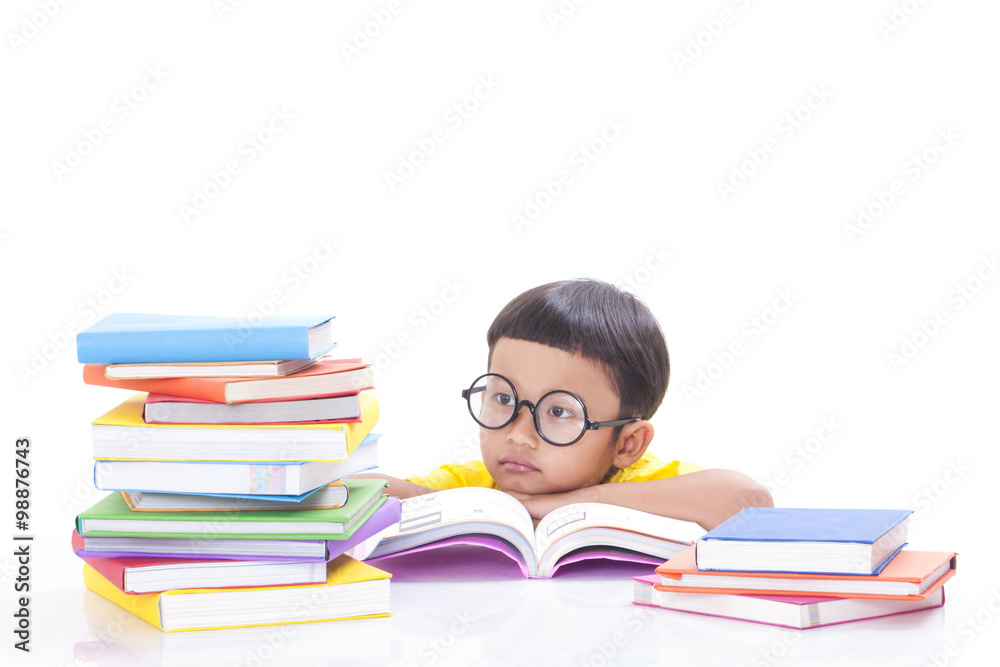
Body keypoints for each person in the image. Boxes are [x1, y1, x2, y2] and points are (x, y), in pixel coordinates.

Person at [360, 279, 772, 530]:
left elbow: (748, 501)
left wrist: (557, 506)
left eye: (559, 411)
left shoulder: (645, 483)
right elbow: (359, 491)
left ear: (627, 444)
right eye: (504, 398)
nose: (518, 435)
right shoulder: (476, 485)